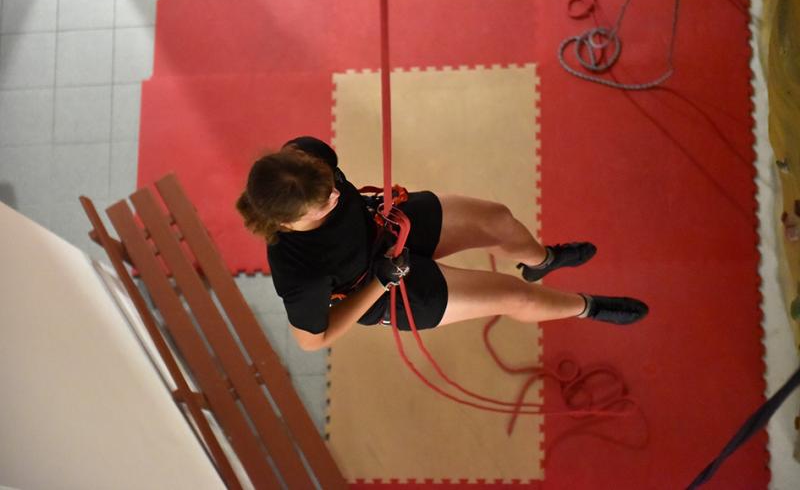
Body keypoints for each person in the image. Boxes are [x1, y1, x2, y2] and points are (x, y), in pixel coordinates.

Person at [237, 136, 648, 352]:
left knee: (498, 219)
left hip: (386, 225)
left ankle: (543, 259)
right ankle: (587, 307)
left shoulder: (308, 156)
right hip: (380, 288)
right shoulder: (299, 273)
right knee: (515, 296)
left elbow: (328, 185)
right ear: (288, 222)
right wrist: (380, 282)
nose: (334, 195)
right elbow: (312, 341)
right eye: (323, 203)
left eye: (330, 185)